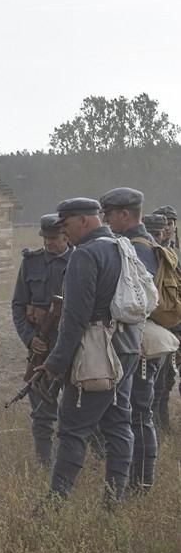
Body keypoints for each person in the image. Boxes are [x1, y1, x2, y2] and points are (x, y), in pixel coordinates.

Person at [33, 198, 136, 507]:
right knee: (119, 425)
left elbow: (74, 318)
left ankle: (53, 505)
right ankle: (113, 502)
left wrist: (55, 364)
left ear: (83, 221)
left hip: (97, 353)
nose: (64, 235)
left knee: (72, 428)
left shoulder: (85, 255)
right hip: (126, 347)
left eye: (66, 227)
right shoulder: (122, 246)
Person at [100, 188, 159, 492]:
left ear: (125, 214)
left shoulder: (137, 248)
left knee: (138, 412)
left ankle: (141, 483)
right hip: (142, 340)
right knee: (137, 411)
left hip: (142, 342)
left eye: (109, 214)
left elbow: (136, 301)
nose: (106, 220)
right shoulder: (141, 243)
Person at [10, 214, 72, 466]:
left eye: (54, 239)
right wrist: (29, 338)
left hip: (71, 347)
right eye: (45, 239)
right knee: (42, 411)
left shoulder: (81, 259)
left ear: (66, 236)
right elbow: (18, 305)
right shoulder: (31, 263)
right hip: (42, 347)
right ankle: (44, 463)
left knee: (76, 409)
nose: (49, 244)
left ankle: (73, 461)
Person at [146, 212, 179, 433]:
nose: (166, 230)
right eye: (161, 227)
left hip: (173, 325)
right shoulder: (148, 255)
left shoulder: (173, 254)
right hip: (157, 327)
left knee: (165, 383)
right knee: (156, 384)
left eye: (170, 224)